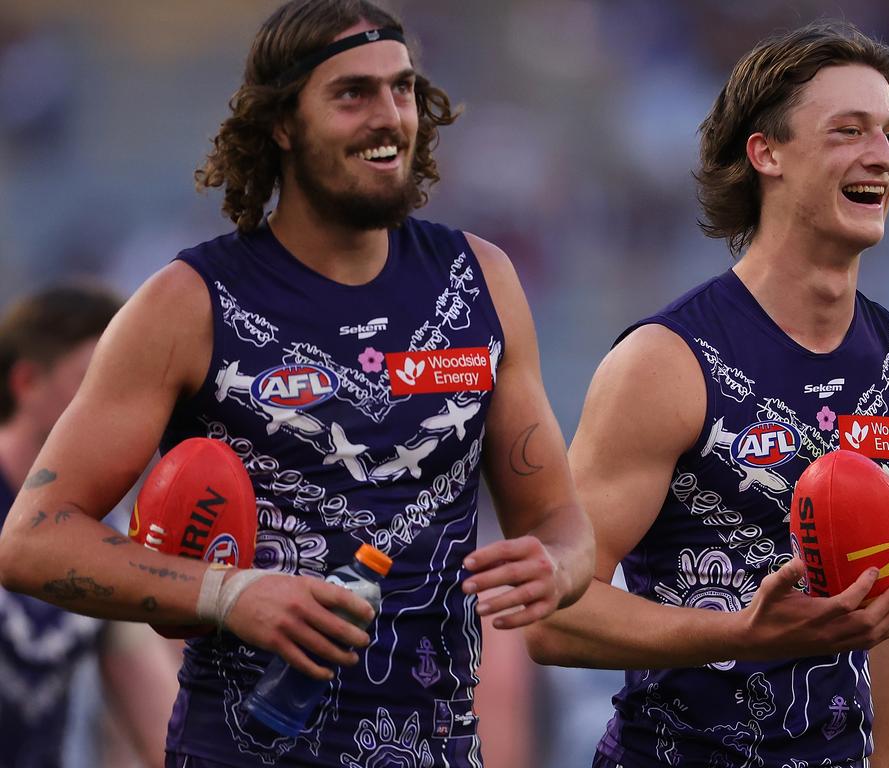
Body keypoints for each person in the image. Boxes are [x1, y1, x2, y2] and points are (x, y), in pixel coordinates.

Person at [0, 1, 593, 767]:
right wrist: (229, 595)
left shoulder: (482, 281)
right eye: (353, 94)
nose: (390, 118)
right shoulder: (187, 302)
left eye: (403, 90)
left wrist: (557, 567)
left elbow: (562, 526)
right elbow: (32, 540)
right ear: (281, 122)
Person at [525, 20, 889, 768]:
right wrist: (742, 635)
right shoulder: (665, 362)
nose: (880, 156)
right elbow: (551, 618)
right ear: (767, 153)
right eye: (848, 131)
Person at [0, 285, 180, 768]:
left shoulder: (103, 534)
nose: (116, 397)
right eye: (94, 377)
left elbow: (160, 727)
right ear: (26, 384)